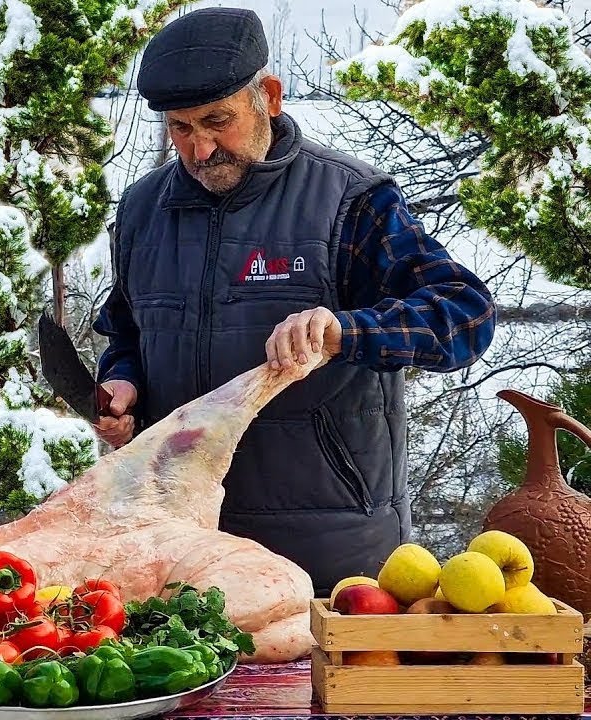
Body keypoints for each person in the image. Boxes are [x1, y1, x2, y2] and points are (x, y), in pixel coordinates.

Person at [92, 8, 496, 596]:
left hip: (330, 553)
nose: (200, 149)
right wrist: (123, 383)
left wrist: (346, 332)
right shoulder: (142, 209)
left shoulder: (351, 198)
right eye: (180, 128)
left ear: (270, 98)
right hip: (180, 541)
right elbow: (128, 332)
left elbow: (464, 314)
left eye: (217, 121)